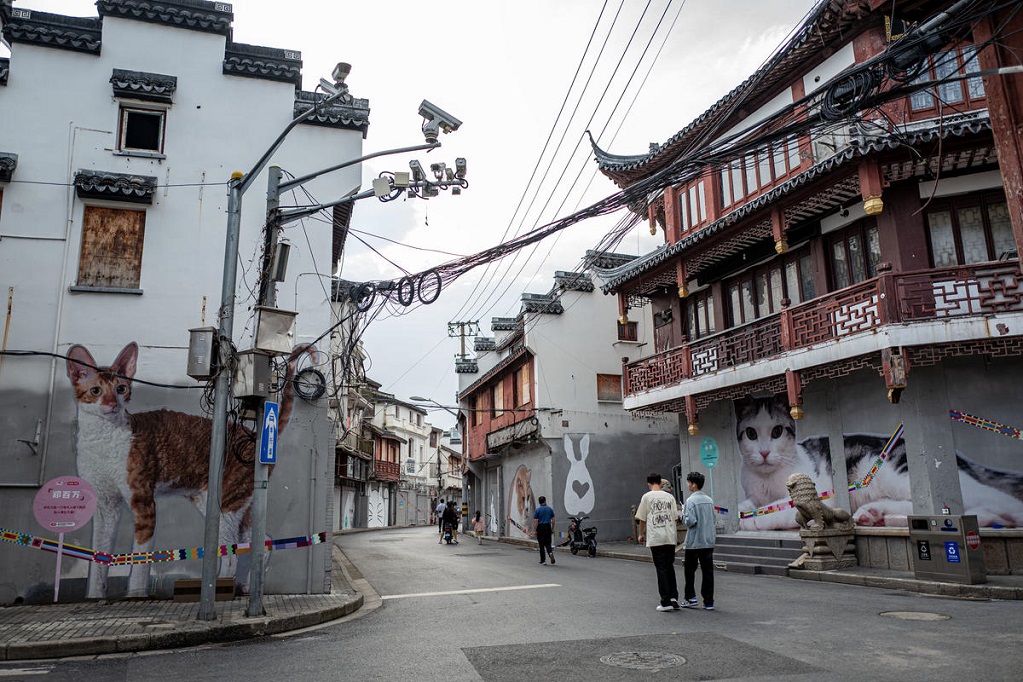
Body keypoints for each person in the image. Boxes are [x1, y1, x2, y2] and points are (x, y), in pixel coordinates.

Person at [635, 472, 680, 612]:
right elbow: (675, 518)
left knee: (661, 568)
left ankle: (665, 601)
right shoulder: (669, 497)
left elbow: (642, 518)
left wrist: (640, 534)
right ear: (660, 483)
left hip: (656, 537)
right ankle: (674, 598)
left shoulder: (646, 497)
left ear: (649, 484)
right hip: (670, 537)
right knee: (669, 566)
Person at [681, 471, 716, 610]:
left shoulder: (690, 501)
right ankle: (709, 601)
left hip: (694, 542)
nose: (688, 485)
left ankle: (690, 597)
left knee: (690, 571)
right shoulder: (709, 500)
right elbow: (713, 519)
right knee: (708, 572)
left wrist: (683, 515)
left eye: (689, 482)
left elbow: (690, 522)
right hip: (708, 540)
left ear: (694, 484)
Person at [533, 496, 555, 565]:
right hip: (548, 526)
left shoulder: (538, 510)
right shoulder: (550, 509)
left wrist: (535, 530)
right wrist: (552, 529)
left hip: (540, 527)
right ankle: (550, 553)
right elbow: (553, 520)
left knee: (541, 544)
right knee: (548, 543)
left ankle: (543, 560)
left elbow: (535, 521)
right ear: (545, 501)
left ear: (539, 502)